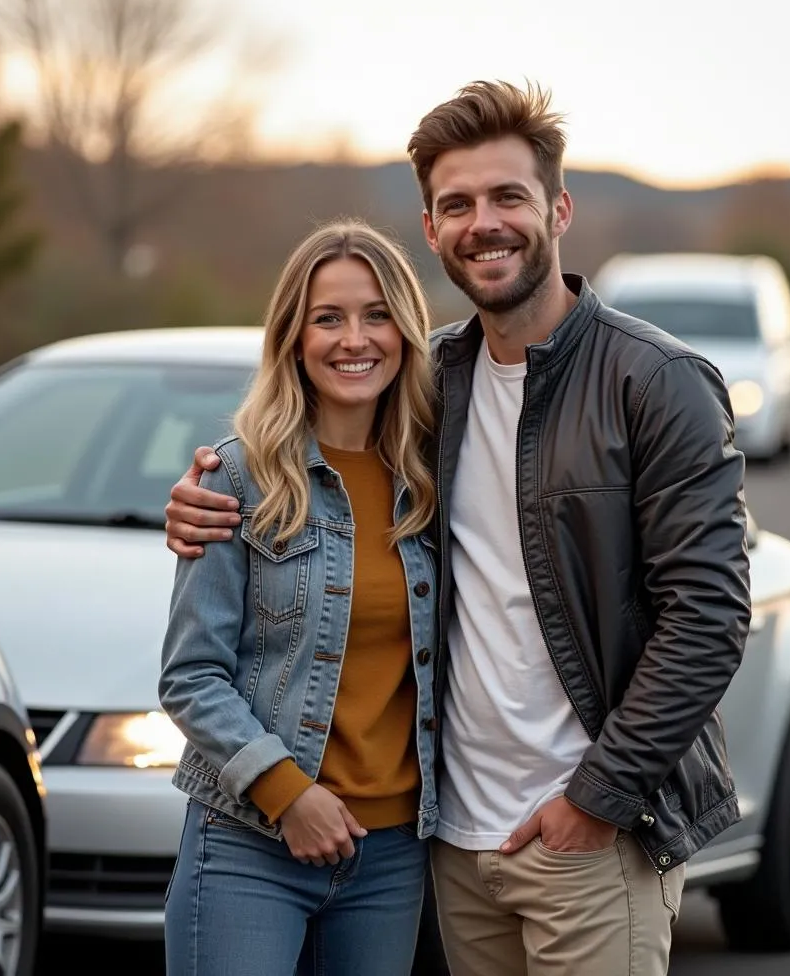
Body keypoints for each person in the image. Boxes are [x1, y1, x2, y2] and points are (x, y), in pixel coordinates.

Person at [165, 82, 751, 976]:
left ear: (557, 207)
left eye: (508, 196)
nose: (486, 223)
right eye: (458, 205)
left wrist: (596, 800)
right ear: (432, 231)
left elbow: (708, 616)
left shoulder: (654, 382)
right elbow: (311, 464)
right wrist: (202, 491)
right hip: (452, 849)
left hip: (587, 840)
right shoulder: (431, 386)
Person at [158, 219, 440, 976]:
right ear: (294, 335)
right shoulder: (237, 480)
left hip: (390, 859)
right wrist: (287, 793)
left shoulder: (437, 481)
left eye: (377, 314)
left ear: (407, 330)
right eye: (329, 318)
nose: (356, 338)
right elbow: (190, 675)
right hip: (251, 841)